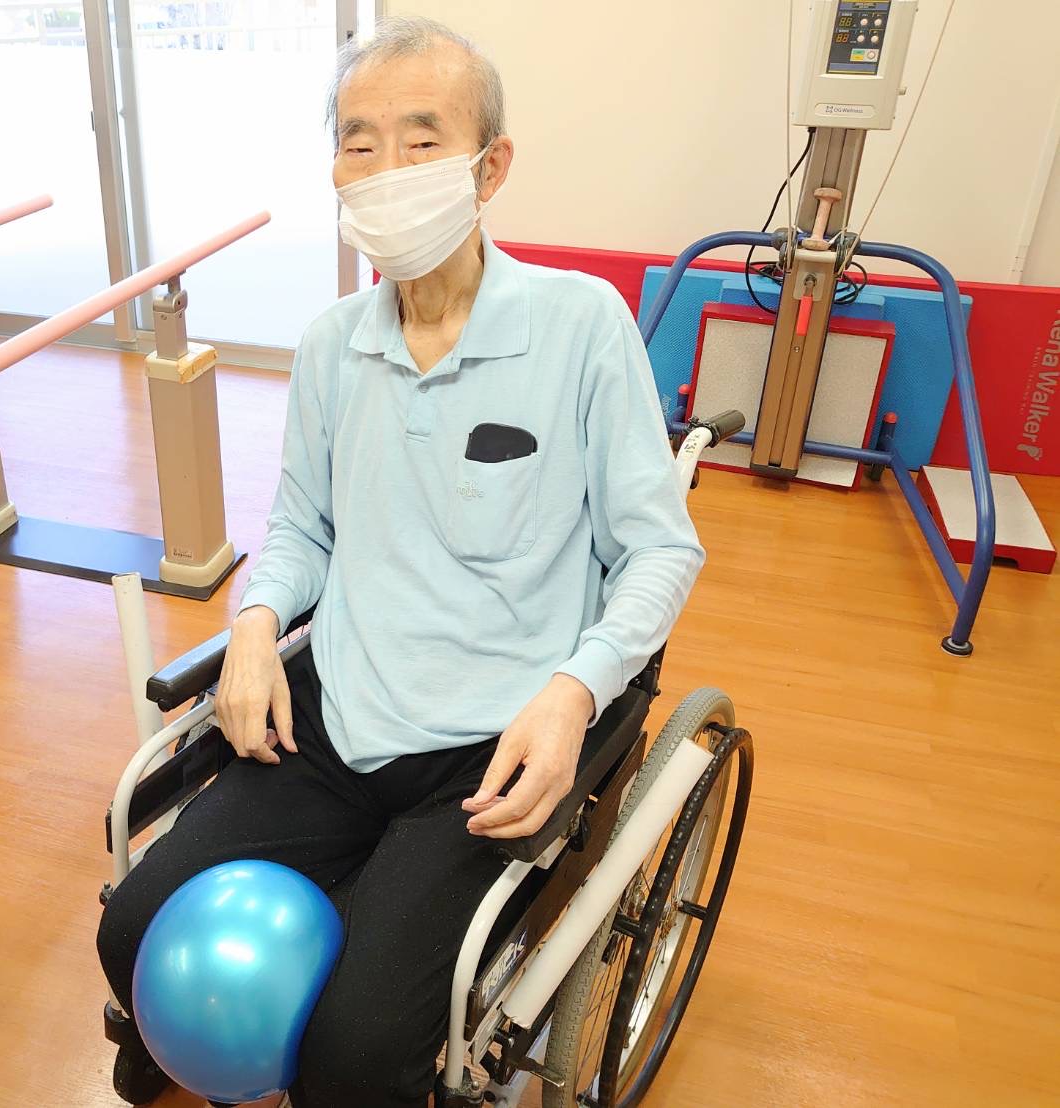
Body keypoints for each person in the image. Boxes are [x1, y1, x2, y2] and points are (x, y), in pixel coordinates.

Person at [98, 16, 704, 1107]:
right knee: (131, 930)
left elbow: (659, 548)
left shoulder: (579, 325)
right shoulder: (333, 344)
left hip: (490, 750)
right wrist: (253, 625)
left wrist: (574, 692)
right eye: (358, 142)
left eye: (421, 142)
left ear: (488, 167)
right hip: (337, 720)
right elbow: (302, 526)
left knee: (354, 1056)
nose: (385, 169)